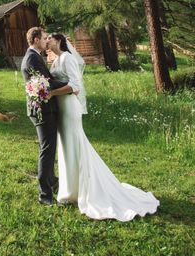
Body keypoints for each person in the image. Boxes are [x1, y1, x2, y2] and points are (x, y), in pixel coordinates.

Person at [47, 32, 160, 221]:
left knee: (76, 145)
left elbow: (75, 86)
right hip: (61, 108)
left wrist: (52, 93)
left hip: (70, 108)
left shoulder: (67, 58)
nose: (47, 41)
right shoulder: (56, 61)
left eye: (49, 38)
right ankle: (70, 191)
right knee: (67, 148)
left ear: (58, 40)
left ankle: (88, 190)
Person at [21, 27, 73, 205]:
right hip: (41, 110)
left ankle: (53, 182)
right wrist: (70, 84)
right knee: (47, 150)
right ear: (36, 40)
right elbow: (47, 82)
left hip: (45, 109)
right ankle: (45, 194)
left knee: (50, 149)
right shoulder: (32, 58)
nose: (46, 41)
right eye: (43, 38)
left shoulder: (34, 56)